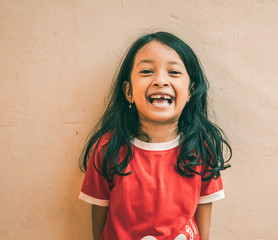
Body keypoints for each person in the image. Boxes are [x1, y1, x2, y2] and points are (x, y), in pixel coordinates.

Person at [78, 31, 231, 240]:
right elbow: (99, 225)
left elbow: (204, 226)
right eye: (147, 71)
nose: (160, 80)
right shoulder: (107, 148)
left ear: (190, 92)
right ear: (128, 91)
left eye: (174, 72)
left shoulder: (201, 149)